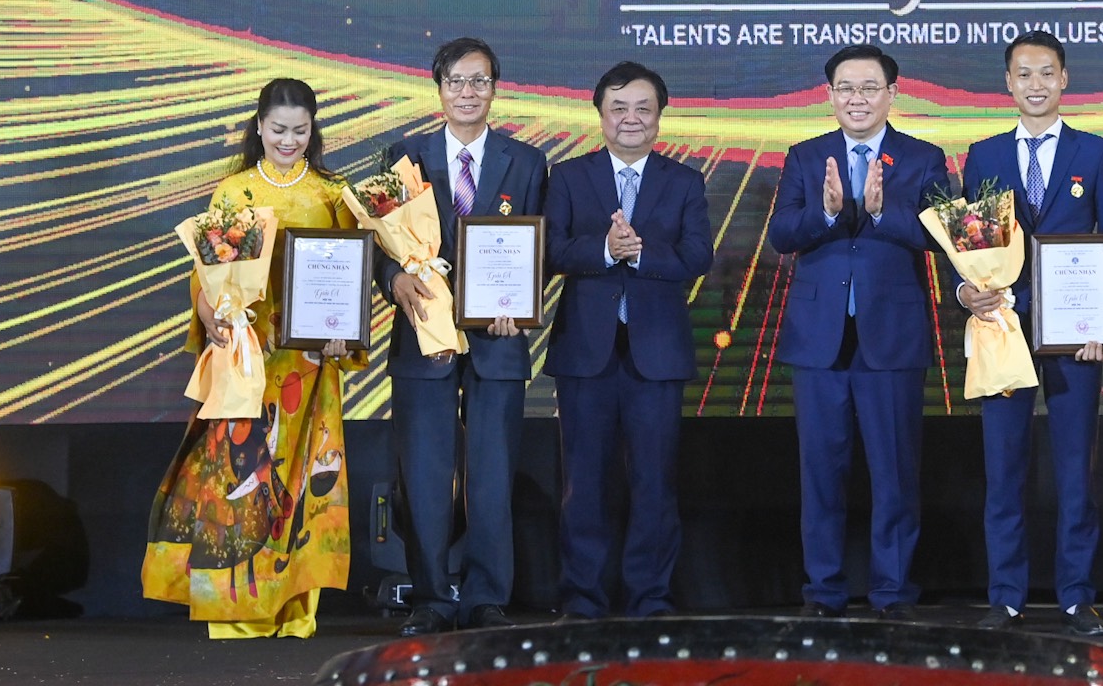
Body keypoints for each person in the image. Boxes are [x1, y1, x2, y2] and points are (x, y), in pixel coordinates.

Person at [143, 77, 360, 638]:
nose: (289, 141)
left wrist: (345, 334)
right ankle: (236, 613)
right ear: (259, 127)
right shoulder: (233, 190)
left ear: (313, 130)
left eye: (300, 131)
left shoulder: (332, 193)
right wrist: (209, 312)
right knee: (239, 477)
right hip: (247, 358)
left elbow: (352, 274)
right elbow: (205, 271)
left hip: (308, 362)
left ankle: (294, 611)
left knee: (301, 478)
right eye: (279, 129)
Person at [768, 44, 949, 618]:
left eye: (870, 87)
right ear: (829, 95)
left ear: (892, 94)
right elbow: (781, 235)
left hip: (891, 337)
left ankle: (892, 592)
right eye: (846, 88)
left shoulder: (923, 158)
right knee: (821, 474)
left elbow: (941, 235)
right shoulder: (805, 155)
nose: (857, 98)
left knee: (894, 474)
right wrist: (825, 213)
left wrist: (880, 212)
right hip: (818, 340)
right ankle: (824, 591)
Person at [956, 31, 1103, 635]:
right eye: (1024, 74)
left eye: (1046, 73)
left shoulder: (1096, 153)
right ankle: (1006, 597)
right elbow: (966, 243)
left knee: (1075, 472)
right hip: (1002, 329)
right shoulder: (983, 156)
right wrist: (965, 294)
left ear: (1064, 79)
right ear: (1008, 82)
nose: (1036, 84)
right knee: (1003, 472)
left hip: (1075, 338)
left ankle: (1077, 598)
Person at [381, 38, 549, 634]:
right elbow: (379, 239)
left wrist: (518, 304)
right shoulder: (405, 157)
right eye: (457, 80)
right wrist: (393, 277)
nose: (468, 92)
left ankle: (485, 599)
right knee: (425, 475)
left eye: (480, 81)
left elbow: (539, 247)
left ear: (495, 90)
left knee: (492, 475)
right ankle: (430, 598)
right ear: (439, 89)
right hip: (422, 337)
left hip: (498, 340)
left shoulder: (526, 162)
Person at [545, 62, 712, 618]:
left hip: (657, 355)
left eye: (643, 108)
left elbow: (698, 256)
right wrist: (604, 249)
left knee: (655, 483)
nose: (631, 118)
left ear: (660, 116)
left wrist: (638, 253)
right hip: (585, 354)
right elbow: (551, 251)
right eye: (619, 108)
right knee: (583, 483)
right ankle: (582, 600)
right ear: (600, 115)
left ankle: (650, 598)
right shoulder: (568, 176)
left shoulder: (684, 181)